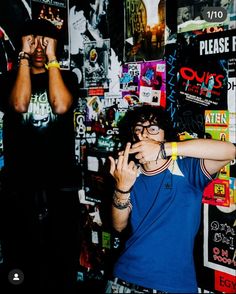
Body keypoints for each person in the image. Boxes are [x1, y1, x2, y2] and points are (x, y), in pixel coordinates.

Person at [105, 105, 235, 293]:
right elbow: (118, 226)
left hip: (173, 286)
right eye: (138, 129)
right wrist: (122, 188)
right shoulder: (129, 174)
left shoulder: (185, 169)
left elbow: (230, 151)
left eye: (153, 129)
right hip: (123, 281)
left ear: (166, 136)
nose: (144, 135)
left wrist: (164, 150)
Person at [0, 19, 82, 293]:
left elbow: (60, 106)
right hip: (19, 184)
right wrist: (23, 56)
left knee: (61, 258)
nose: (38, 46)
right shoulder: (8, 81)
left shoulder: (68, 77)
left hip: (60, 183)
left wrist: (52, 59)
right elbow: (20, 103)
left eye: (45, 41)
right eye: (31, 40)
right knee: (21, 259)